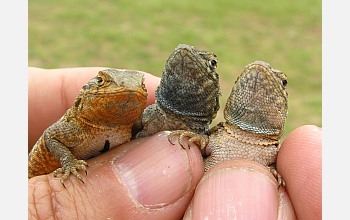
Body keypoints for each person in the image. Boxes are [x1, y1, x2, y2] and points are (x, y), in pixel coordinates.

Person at [28, 67, 322, 220]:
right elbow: (53, 139)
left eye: (141, 87)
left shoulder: (128, 126)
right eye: (105, 83)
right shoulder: (77, 126)